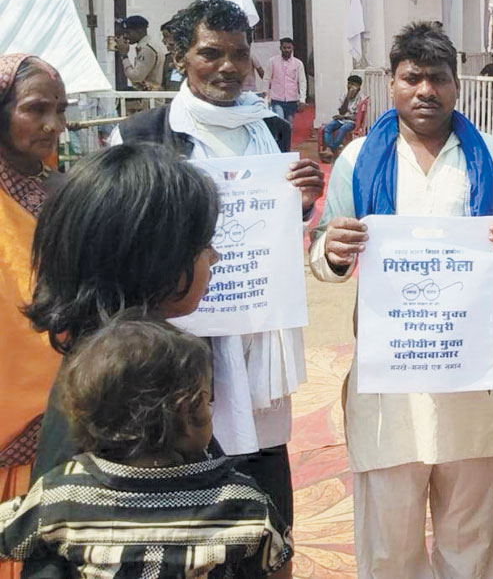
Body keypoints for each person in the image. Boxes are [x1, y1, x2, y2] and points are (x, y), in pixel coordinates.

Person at [310, 22, 493, 579]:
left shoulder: (490, 157)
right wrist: (333, 249)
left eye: (437, 79)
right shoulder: (358, 159)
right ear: (393, 84)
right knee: (389, 539)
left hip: (469, 369)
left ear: (456, 86)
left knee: (472, 534)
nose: (425, 91)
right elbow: (325, 256)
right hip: (391, 375)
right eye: (413, 78)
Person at [110, 0, 322, 570]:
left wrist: (299, 202)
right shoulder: (139, 136)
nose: (228, 67)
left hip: (255, 338)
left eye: (238, 54)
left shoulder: (271, 133)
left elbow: (281, 232)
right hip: (176, 346)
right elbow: (117, 239)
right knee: (178, 481)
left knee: (262, 472)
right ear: (179, 56)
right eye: (211, 53)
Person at [20, 142, 223, 579]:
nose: (215, 258)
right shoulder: (130, 390)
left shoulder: (105, 361)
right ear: (153, 259)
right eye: (204, 244)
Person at [0, 314, 293, 576]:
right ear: (190, 414)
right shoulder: (241, 501)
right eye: (205, 401)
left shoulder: (62, 496)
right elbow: (278, 563)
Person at [0, 55, 65, 579]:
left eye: (60, 111)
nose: (53, 125)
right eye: (36, 109)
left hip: (65, 418)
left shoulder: (62, 192)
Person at [320, 74, 368, 161]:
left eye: (353, 84)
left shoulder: (361, 98)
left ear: (358, 87)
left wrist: (344, 117)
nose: (350, 86)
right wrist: (347, 99)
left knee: (343, 129)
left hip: (352, 122)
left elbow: (357, 118)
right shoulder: (344, 95)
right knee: (328, 127)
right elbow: (342, 111)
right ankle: (330, 149)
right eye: (348, 83)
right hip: (342, 119)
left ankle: (331, 149)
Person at [114, 15, 164, 92]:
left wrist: (124, 55)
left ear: (140, 31)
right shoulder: (148, 44)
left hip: (150, 99)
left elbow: (136, 77)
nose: (125, 36)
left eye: (128, 32)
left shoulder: (146, 49)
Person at [267, 37, 307, 122]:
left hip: (292, 100)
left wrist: (302, 99)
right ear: (280, 48)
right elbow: (267, 79)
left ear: (293, 48)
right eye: (284, 48)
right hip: (277, 99)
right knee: (280, 121)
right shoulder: (272, 61)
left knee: (289, 125)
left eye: (289, 48)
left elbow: (302, 82)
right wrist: (266, 97)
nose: (287, 50)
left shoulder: (298, 63)